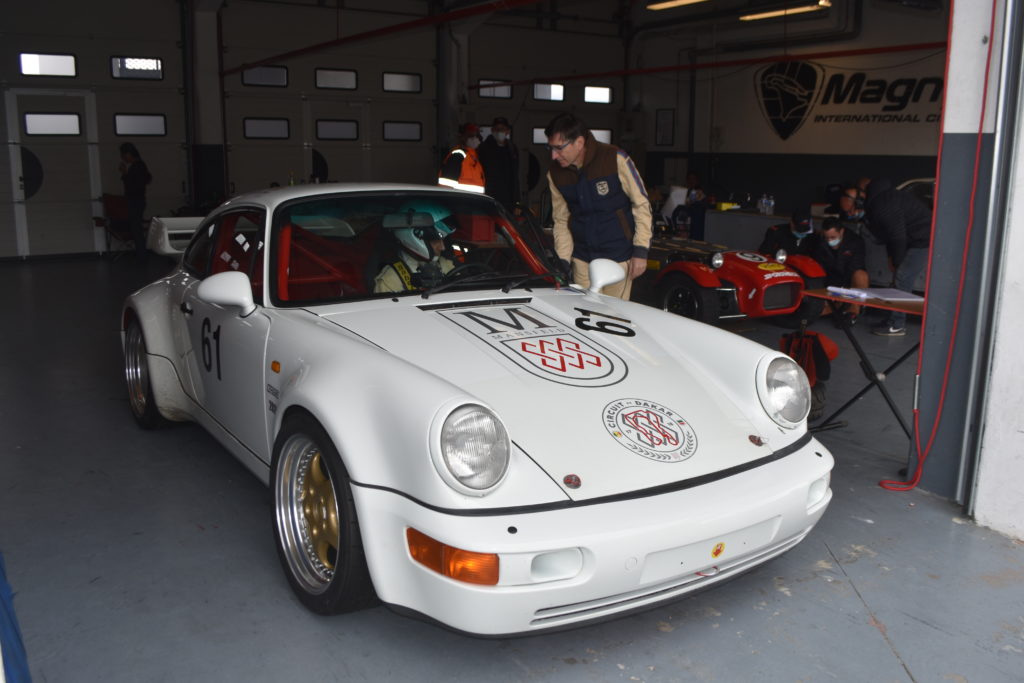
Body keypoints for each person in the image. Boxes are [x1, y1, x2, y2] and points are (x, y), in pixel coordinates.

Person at [544, 112, 652, 300]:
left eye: (559, 148)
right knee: (585, 316)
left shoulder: (614, 158)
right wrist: (562, 261)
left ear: (578, 142)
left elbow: (641, 204)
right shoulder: (555, 174)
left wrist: (640, 251)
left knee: (615, 317)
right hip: (582, 258)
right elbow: (561, 219)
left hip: (618, 255)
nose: (554, 155)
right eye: (550, 148)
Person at [864, 178, 932, 336]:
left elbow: (897, 237)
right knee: (900, 277)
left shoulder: (883, 205)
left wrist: (896, 260)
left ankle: (897, 324)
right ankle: (893, 320)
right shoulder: (889, 198)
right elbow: (891, 235)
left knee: (902, 277)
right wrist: (892, 258)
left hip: (922, 240)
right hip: (916, 238)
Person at [374, 209, 456, 293]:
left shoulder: (446, 265)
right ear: (414, 238)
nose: (442, 247)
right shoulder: (390, 280)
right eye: (435, 241)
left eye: (443, 240)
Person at [811, 217, 870, 318]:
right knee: (815, 313)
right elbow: (818, 269)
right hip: (829, 283)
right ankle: (838, 307)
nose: (829, 241)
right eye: (827, 237)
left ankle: (852, 312)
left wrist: (842, 292)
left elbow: (856, 267)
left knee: (861, 275)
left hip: (847, 284)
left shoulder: (855, 242)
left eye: (833, 237)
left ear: (841, 231)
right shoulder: (819, 242)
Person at [477, 116, 519, 212]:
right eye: (497, 129)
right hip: (489, 196)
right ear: (492, 130)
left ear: (508, 131)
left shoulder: (512, 149)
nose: (499, 132)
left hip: (508, 199)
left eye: (502, 129)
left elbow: (515, 176)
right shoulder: (484, 148)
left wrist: (517, 200)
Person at [118, 142, 152, 259]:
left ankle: (141, 255)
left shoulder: (137, 166)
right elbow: (146, 179)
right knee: (136, 228)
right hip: (139, 200)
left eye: (123, 155)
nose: (123, 158)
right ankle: (141, 254)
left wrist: (124, 174)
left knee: (136, 228)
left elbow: (132, 185)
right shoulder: (140, 165)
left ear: (128, 154)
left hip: (135, 201)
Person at [438, 123, 485, 194]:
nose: (476, 139)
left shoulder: (474, 158)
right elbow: (446, 186)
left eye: (477, 136)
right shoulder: (458, 156)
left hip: (474, 202)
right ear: (463, 137)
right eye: (471, 137)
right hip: (460, 202)